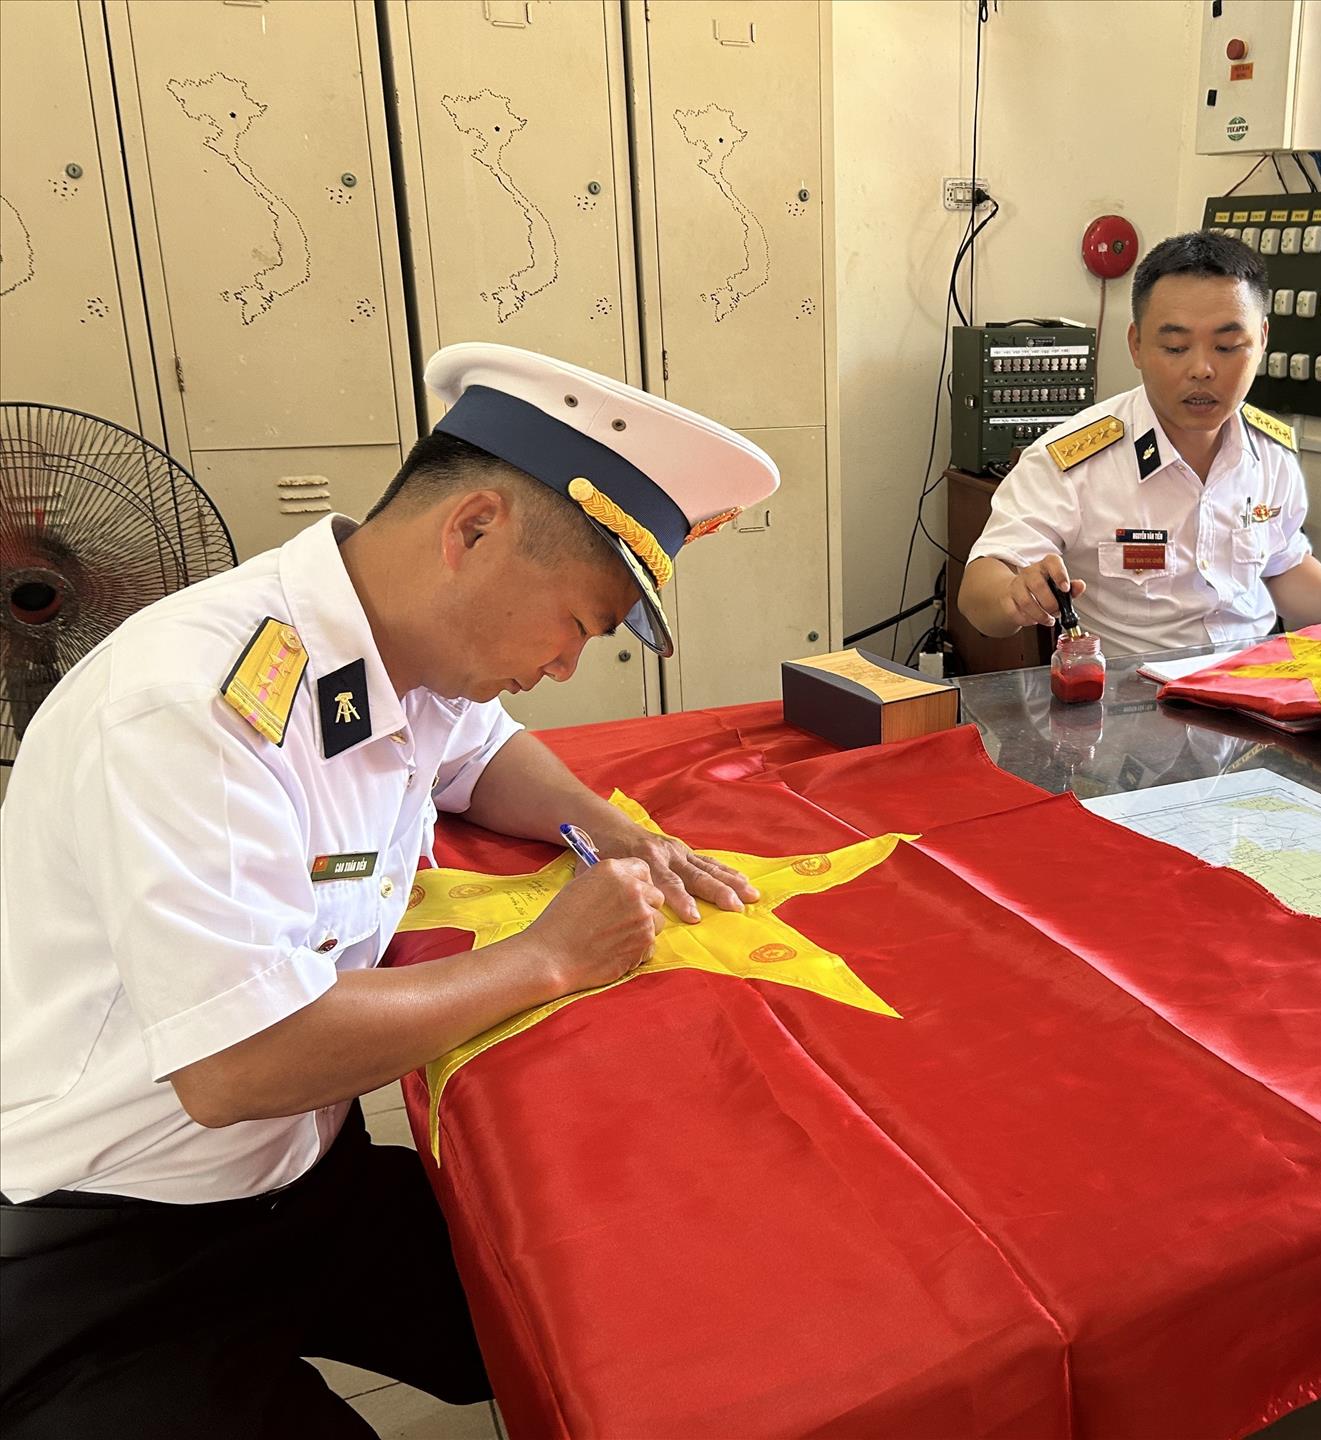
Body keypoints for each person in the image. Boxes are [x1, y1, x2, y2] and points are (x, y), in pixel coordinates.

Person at [0, 342, 779, 1437]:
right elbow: (237, 1064)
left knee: (602, 1319)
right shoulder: (189, 706)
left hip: (304, 1168)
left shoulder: (402, 649)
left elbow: (481, 753)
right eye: (576, 623)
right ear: (474, 531)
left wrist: (613, 831)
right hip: (122, 1226)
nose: (567, 667)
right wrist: (552, 955)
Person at [958, 231, 1321, 656]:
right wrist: (1013, 597)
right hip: (1135, 703)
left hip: (1253, 689)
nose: (1202, 369)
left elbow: (1283, 568)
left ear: (1262, 340)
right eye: (1175, 347)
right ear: (1136, 345)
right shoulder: (1074, 459)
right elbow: (979, 591)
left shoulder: (1271, 452)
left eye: (1227, 347)